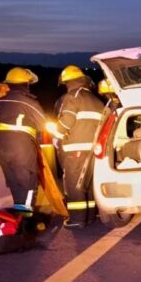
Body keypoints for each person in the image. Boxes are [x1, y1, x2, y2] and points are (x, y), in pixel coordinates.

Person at [52, 65, 106, 227]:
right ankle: (88, 216)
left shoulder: (72, 96)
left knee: (74, 184)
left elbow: (66, 122)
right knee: (87, 184)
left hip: (74, 149)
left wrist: (57, 135)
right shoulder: (97, 100)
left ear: (67, 82)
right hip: (92, 150)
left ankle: (77, 219)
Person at [0, 67, 48, 215]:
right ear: (25, 84)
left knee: (14, 181)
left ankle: (18, 214)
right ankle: (26, 219)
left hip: (0, 145)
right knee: (28, 181)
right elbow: (42, 123)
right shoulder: (28, 102)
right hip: (20, 145)